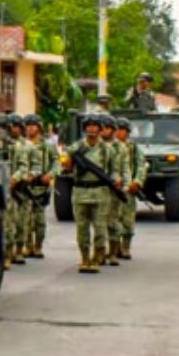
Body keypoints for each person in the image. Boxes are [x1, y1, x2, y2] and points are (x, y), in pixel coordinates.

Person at [62, 114, 119, 273]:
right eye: (88, 126)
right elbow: (66, 167)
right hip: (80, 192)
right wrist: (67, 163)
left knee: (100, 228)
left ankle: (97, 257)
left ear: (100, 128)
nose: (91, 128)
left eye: (95, 125)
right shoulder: (75, 148)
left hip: (100, 192)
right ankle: (85, 258)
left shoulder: (107, 150)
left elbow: (113, 171)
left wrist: (117, 180)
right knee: (82, 228)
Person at [20, 114, 58, 259]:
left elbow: (56, 162)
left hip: (41, 187)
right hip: (25, 187)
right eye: (28, 126)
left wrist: (50, 174)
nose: (30, 128)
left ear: (39, 127)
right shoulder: (22, 144)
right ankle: (27, 246)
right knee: (26, 220)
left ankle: (38, 246)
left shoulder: (47, 145)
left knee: (40, 221)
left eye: (33, 125)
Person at [114, 118, 147, 260]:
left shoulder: (134, 148)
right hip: (113, 188)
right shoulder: (109, 147)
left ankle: (125, 247)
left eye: (122, 130)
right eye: (117, 129)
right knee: (112, 219)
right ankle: (113, 247)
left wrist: (137, 182)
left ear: (127, 132)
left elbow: (141, 166)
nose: (119, 132)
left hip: (129, 188)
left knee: (127, 220)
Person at [98, 114, 128, 266]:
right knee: (99, 223)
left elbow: (125, 168)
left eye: (108, 128)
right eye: (102, 128)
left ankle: (114, 252)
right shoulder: (94, 145)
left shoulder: (120, 148)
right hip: (98, 189)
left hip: (114, 189)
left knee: (113, 222)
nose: (104, 131)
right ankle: (100, 252)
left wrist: (125, 184)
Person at [4, 113, 29, 268]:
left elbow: (24, 166)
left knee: (18, 223)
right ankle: (5, 254)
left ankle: (14, 251)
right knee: (6, 224)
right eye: (11, 126)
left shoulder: (23, 146)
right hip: (2, 189)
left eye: (17, 126)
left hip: (17, 189)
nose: (14, 129)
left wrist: (15, 178)